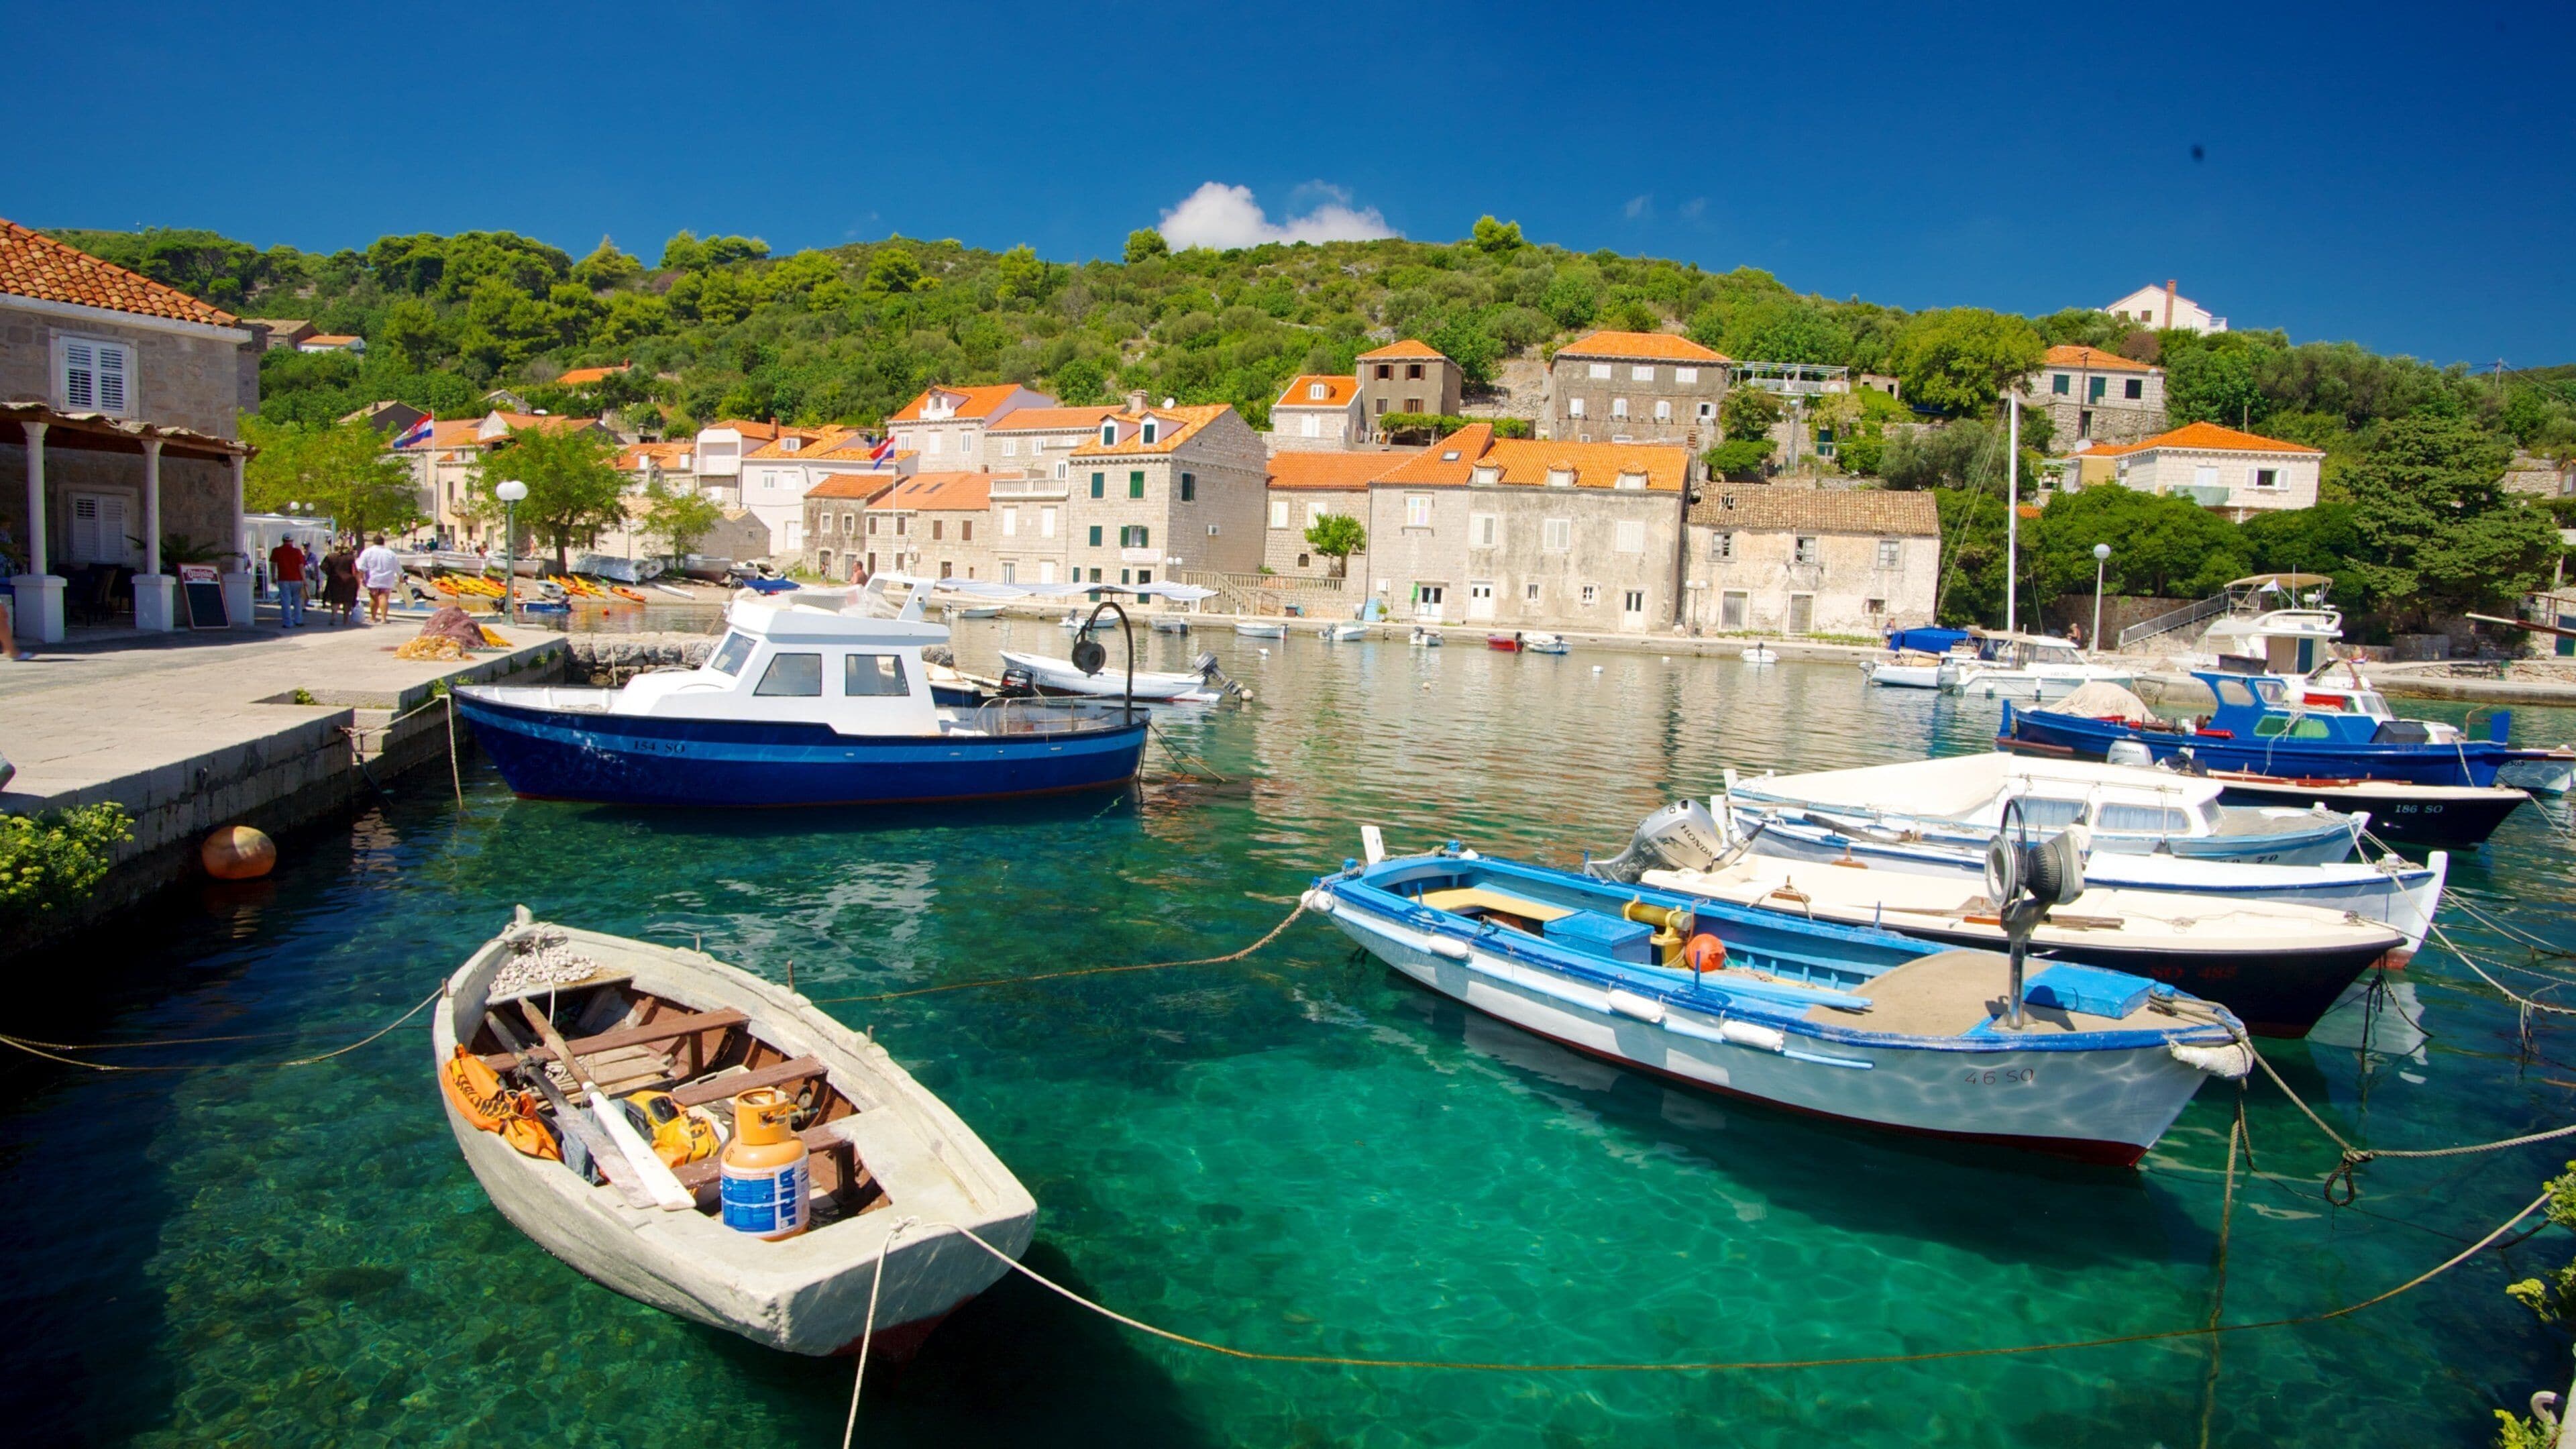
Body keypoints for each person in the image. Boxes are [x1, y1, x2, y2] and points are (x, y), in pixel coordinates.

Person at [356, 533, 400, 624]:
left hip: (373, 579)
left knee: (373, 598)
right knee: (383, 597)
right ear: (383, 542)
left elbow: (362, 567)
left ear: (374, 542)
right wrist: (402, 576)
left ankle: (373, 617)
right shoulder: (391, 553)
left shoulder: (367, 552)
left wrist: (361, 577)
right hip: (387, 579)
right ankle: (383, 618)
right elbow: (398, 567)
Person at [268, 536, 308, 628]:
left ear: (283, 540)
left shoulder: (276, 551)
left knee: (285, 601)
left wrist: (273, 576)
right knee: (297, 601)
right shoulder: (297, 552)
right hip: (297, 579)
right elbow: (301, 566)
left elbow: (273, 565)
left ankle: (288, 623)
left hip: (283, 578)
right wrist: (304, 579)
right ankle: (298, 620)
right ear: (292, 541)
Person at [321, 538, 360, 626]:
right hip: (349, 581)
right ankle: (345, 620)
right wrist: (358, 583)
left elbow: (323, 567)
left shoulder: (330, 557)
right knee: (347, 601)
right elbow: (355, 571)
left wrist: (329, 573)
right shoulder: (350, 558)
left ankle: (333, 617)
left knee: (335, 600)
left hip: (335, 580)